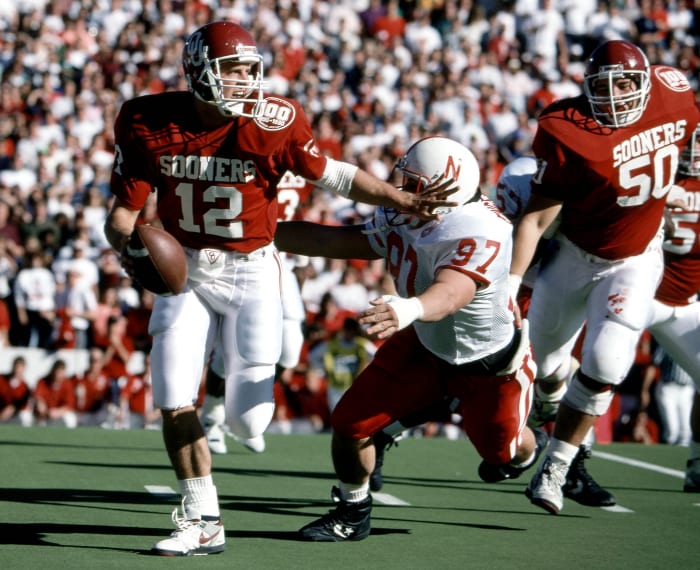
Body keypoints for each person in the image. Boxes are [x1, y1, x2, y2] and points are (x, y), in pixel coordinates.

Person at [103, 21, 454, 557]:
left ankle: (229, 404)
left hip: (253, 270)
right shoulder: (146, 119)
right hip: (187, 271)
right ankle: (203, 519)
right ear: (198, 72)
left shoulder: (275, 120)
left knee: (250, 419)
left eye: (251, 70)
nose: (246, 81)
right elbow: (122, 216)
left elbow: (333, 175)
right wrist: (131, 253)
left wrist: (398, 198)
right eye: (233, 70)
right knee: (172, 397)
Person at [276, 135, 544, 542]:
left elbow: (452, 294)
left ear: (447, 191)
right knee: (349, 423)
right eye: (403, 179)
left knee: (502, 454)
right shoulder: (410, 211)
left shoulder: (480, 228)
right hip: (426, 344)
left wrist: (406, 310)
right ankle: (352, 512)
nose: (401, 190)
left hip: (488, 365)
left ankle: (530, 445)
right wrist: (261, 232)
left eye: (413, 184)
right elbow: (339, 240)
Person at [508, 39, 699, 514]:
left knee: (608, 360)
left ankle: (556, 468)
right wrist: (509, 286)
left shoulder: (673, 96)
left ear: (646, 81)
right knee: (544, 365)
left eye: (627, 84)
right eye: (603, 86)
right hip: (574, 257)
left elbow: (677, 144)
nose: (615, 97)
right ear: (586, 87)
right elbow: (535, 218)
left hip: (635, 259)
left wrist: (667, 189)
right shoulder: (566, 129)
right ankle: (548, 402)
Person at [200, 171, 314, 456]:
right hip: (243, 261)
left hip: (281, 263)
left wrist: (301, 263)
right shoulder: (251, 161)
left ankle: (242, 411)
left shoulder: (298, 169)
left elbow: (295, 210)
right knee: (229, 352)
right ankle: (212, 419)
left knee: (290, 351)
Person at [645, 118, 700, 491]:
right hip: (637, 291)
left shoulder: (654, 178)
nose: (693, 151)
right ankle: (566, 459)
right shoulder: (653, 177)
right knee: (596, 369)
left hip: (681, 302)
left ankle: (697, 460)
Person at [307, 316, 377, 413]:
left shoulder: (362, 345)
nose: (350, 333)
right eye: (348, 330)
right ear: (344, 330)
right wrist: (322, 370)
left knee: (354, 415)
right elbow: (312, 356)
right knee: (337, 416)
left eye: (353, 331)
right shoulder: (332, 345)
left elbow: (378, 355)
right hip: (335, 388)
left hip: (354, 388)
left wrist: (368, 368)